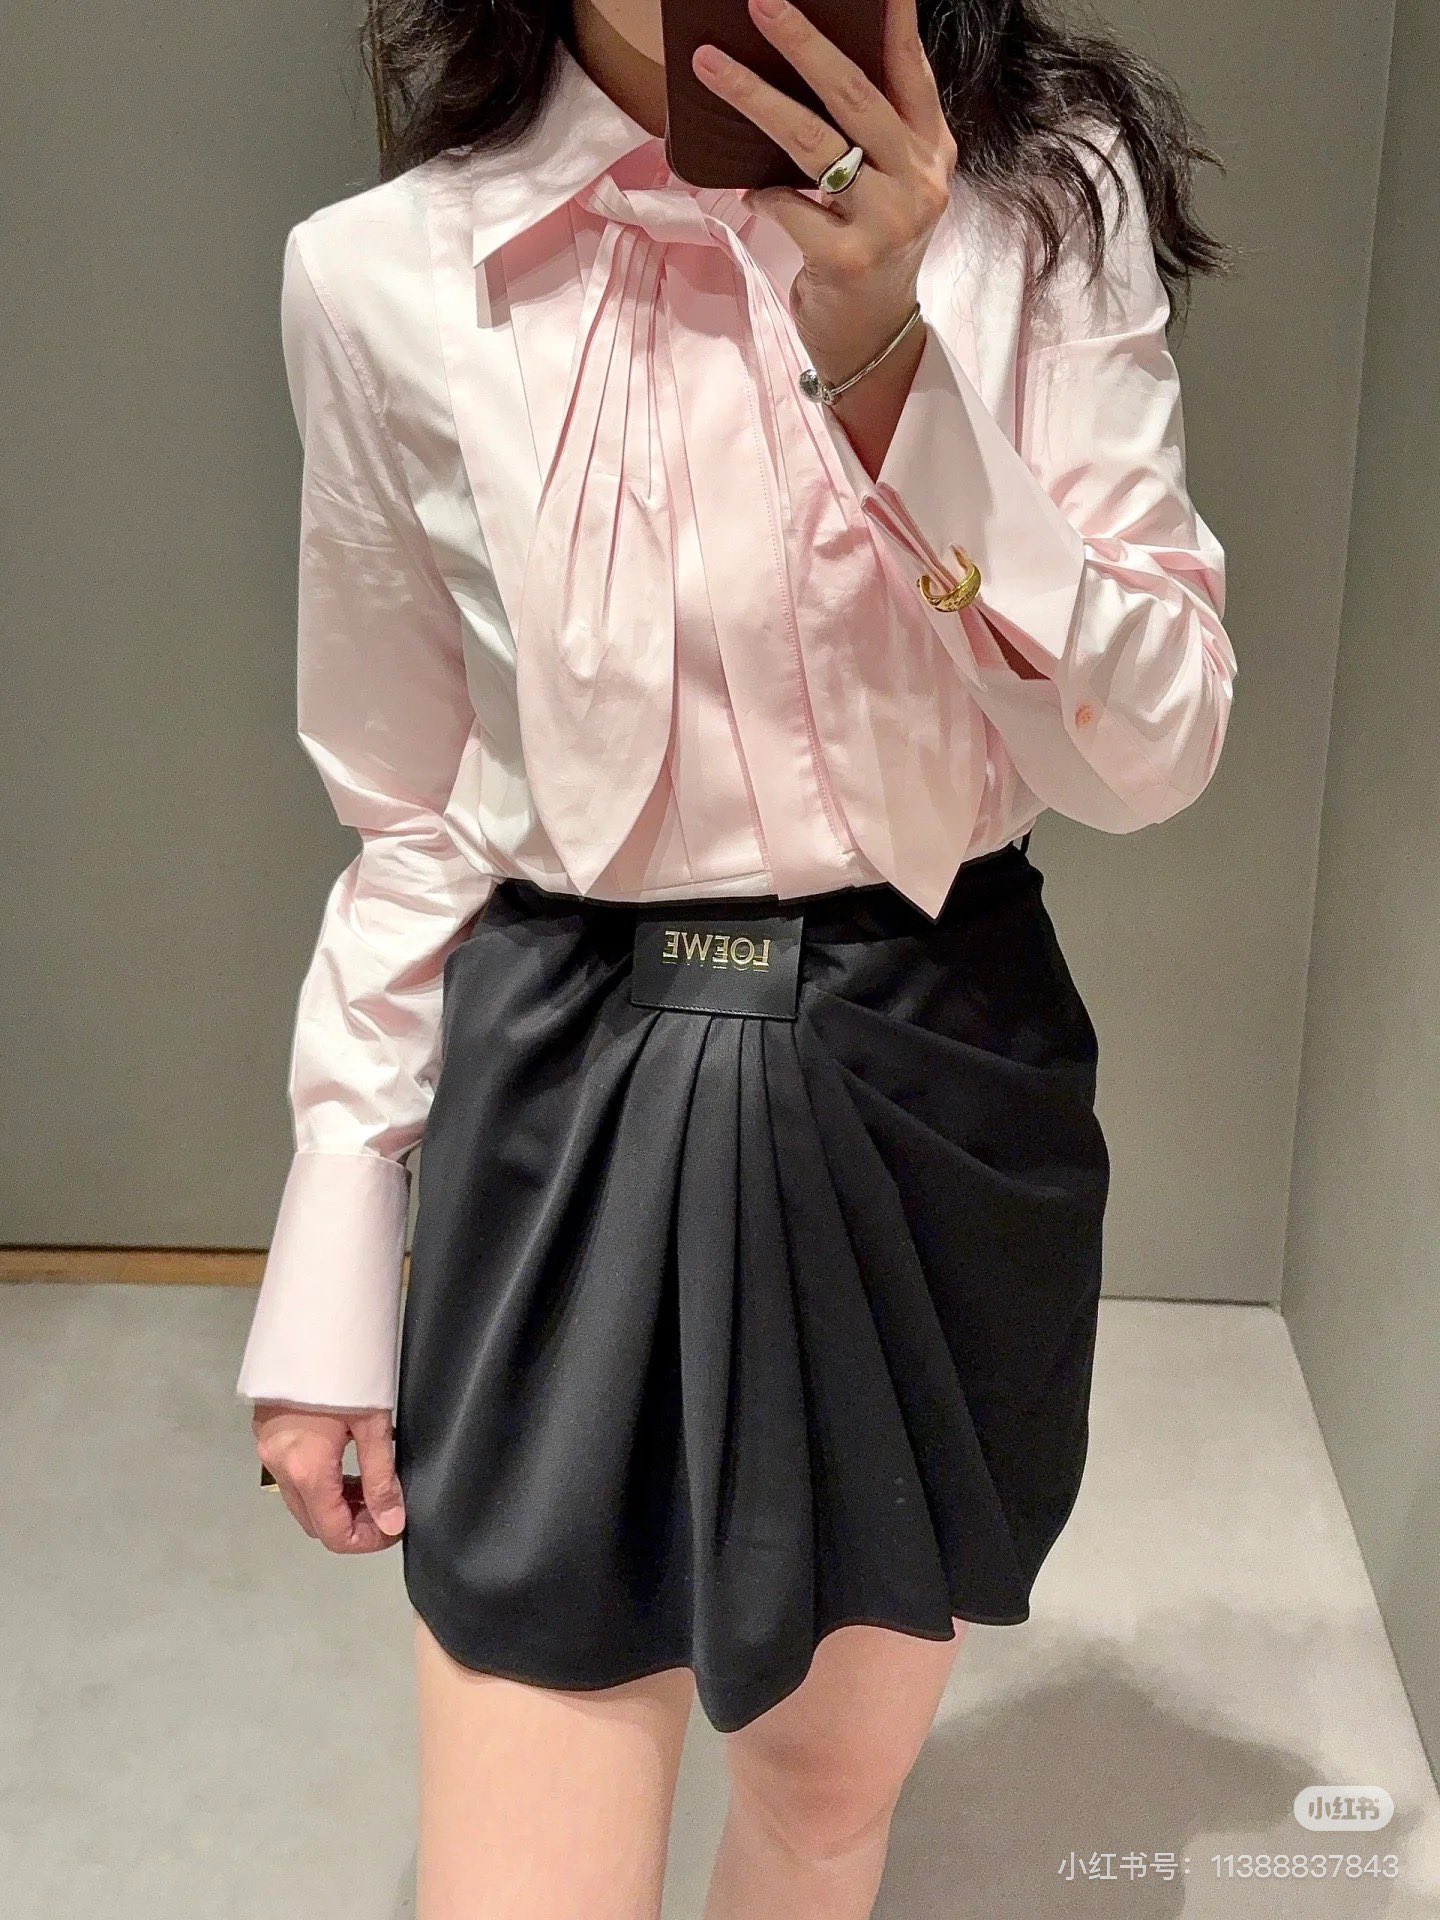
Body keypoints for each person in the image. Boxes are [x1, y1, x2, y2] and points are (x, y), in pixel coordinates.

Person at [237, 0, 1237, 1912]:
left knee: (824, 1813)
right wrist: (336, 1255)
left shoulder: (1037, 208)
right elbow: (411, 810)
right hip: (565, 1094)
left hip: (929, 1061)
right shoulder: (384, 278)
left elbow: (1156, 750)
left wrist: (889, 365)